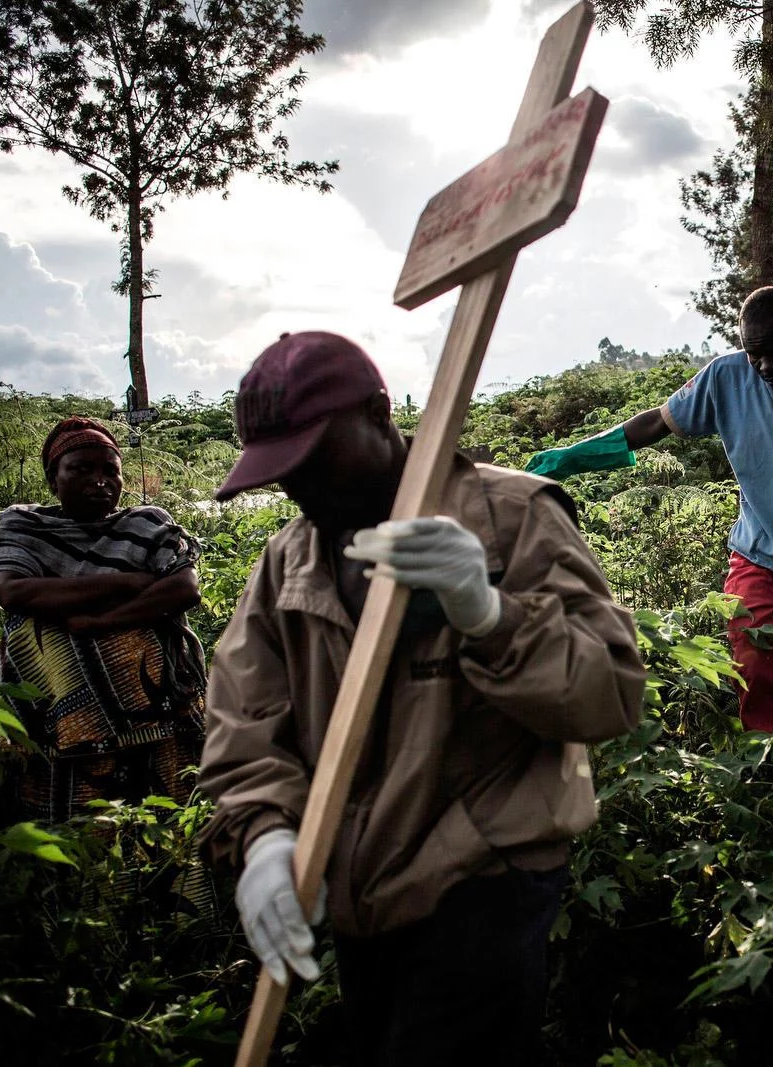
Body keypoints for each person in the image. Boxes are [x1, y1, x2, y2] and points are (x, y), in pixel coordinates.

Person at [198, 332, 645, 1066]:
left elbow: (611, 695)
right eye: (280, 472)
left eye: (314, 456)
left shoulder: (512, 516)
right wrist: (265, 837)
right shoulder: (289, 560)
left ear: (380, 414)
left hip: (485, 875)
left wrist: (491, 614)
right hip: (358, 890)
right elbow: (243, 720)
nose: (300, 487)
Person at [526, 286, 773, 733]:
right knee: (755, 666)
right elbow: (658, 421)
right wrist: (579, 454)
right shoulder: (726, 377)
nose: (765, 367)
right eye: (754, 355)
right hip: (761, 558)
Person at [0, 416, 206, 821]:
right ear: (54, 479)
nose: (100, 481)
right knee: (77, 825)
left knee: (167, 815)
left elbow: (183, 589)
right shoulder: (25, 525)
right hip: (58, 712)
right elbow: (13, 591)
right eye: (82, 469)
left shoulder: (146, 522)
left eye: (111, 471)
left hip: (156, 710)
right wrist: (130, 583)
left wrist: (100, 623)